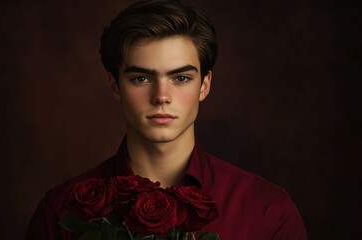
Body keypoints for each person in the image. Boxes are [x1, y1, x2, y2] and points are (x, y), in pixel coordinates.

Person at [25, 0, 307, 239]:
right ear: (114, 86)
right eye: (141, 78)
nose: (161, 96)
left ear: (204, 85)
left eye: (181, 78)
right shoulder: (59, 211)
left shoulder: (269, 211)